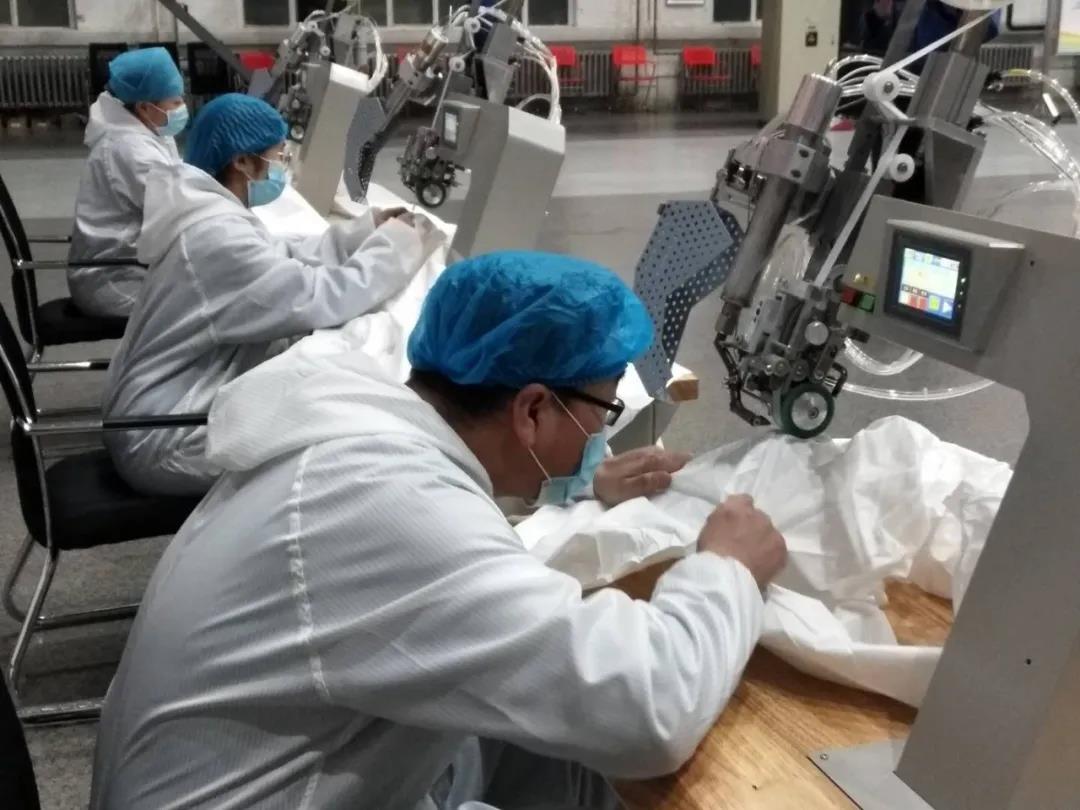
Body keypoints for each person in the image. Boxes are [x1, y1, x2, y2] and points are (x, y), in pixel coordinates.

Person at [90, 250, 788, 810]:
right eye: (601, 415)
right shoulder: (388, 505)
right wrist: (727, 569)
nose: (602, 435)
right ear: (533, 410)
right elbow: (646, 709)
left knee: (537, 752)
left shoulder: (356, 436)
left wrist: (578, 482)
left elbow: (440, 538)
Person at [101, 93, 424, 496]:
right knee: (336, 442)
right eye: (278, 157)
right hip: (164, 437)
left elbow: (282, 255)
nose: (282, 167)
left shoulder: (208, 214)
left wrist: (367, 230)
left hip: (152, 411)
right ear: (242, 162)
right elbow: (320, 297)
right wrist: (398, 246)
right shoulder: (218, 237)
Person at [67, 47, 188, 318]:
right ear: (144, 107)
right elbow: (179, 211)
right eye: (175, 102)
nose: (182, 108)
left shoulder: (145, 131)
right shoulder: (129, 148)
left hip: (130, 265)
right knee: (212, 306)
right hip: (115, 281)